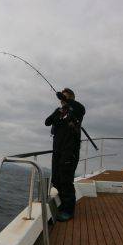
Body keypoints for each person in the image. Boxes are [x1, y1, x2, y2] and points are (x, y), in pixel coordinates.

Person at [45, 88, 85, 222]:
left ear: (71, 99)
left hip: (70, 151)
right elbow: (47, 122)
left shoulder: (77, 110)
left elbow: (80, 107)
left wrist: (67, 101)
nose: (62, 99)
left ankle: (69, 211)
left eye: (65, 97)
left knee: (66, 180)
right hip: (57, 151)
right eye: (61, 98)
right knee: (56, 179)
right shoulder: (59, 112)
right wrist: (57, 111)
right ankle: (62, 207)